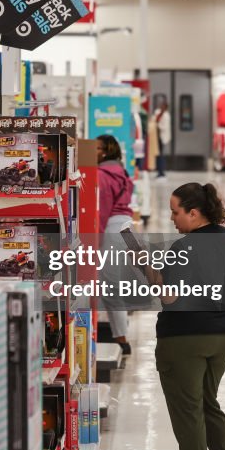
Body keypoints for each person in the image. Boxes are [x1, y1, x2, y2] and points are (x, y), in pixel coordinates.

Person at [139, 182, 225, 450]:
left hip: (185, 337)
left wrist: (146, 269)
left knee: (187, 404)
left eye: (176, 212)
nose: (172, 218)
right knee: (208, 400)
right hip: (224, 333)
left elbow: (169, 297)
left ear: (194, 213)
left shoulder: (183, 248)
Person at [96, 135, 135, 355]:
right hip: (125, 227)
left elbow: (101, 213)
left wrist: (94, 241)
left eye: (97, 147)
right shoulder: (121, 171)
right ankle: (120, 334)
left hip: (112, 229)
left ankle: (122, 339)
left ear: (105, 151)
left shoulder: (102, 176)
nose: (93, 151)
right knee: (113, 283)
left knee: (111, 286)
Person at [154, 100, 171, 178]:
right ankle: (159, 171)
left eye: (163, 106)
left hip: (162, 138)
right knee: (158, 154)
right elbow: (154, 118)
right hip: (157, 137)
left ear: (166, 107)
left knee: (161, 155)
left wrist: (157, 125)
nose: (161, 107)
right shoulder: (158, 113)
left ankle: (161, 172)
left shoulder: (166, 116)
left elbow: (164, 127)